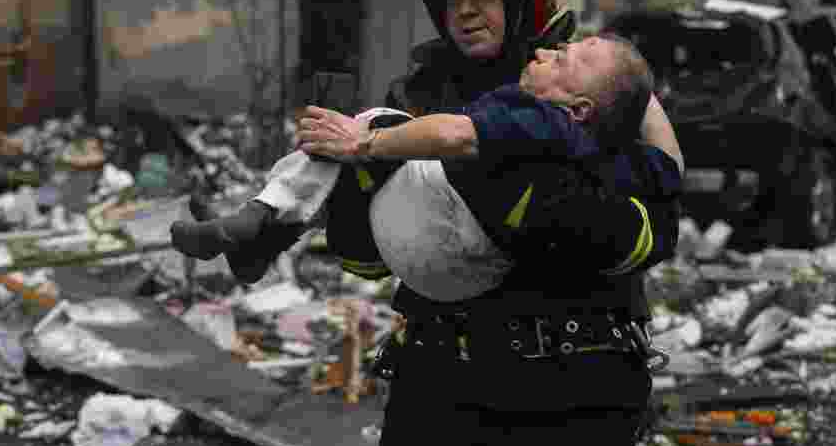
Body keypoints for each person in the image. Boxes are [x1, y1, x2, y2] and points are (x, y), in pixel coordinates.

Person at [171, 0, 683, 446]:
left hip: (572, 390)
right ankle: (263, 226)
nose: (464, 10)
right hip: (440, 383)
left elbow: (656, 220)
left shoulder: (594, 85)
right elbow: (364, 258)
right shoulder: (415, 95)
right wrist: (363, 186)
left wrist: (542, 206)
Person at [176, 34, 680, 303]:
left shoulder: (535, 119)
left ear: (579, 107)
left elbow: (453, 134)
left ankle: (263, 216)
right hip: (471, 278)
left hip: (437, 244)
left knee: (374, 123)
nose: (548, 50)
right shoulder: (608, 156)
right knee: (362, 164)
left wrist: (368, 142)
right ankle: (266, 236)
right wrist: (636, 97)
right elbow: (669, 168)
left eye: (566, 57)